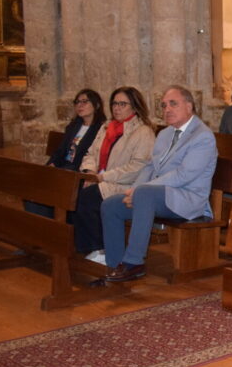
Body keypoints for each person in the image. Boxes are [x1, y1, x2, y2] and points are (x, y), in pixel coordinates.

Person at [96, 85, 217, 284]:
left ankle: (134, 262)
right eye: (163, 105)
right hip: (157, 196)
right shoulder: (165, 134)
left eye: (173, 104)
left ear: (189, 106)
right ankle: (114, 264)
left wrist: (142, 190)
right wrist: (134, 189)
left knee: (145, 194)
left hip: (187, 200)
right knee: (111, 205)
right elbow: (149, 167)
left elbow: (184, 175)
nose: (167, 109)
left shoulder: (203, 137)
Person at [75, 87, 155, 262]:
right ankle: (79, 245)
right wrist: (89, 173)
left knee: (88, 197)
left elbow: (137, 168)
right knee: (72, 191)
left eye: (122, 104)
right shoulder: (106, 127)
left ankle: (101, 249)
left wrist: (102, 178)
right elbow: (90, 153)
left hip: (126, 185)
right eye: (114, 104)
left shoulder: (143, 132)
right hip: (101, 179)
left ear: (134, 107)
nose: (117, 108)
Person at [25, 88, 107, 219]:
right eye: (77, 102)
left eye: (85, 101)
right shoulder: (73, 126)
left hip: (78, 173)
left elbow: (92, 157)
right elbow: (60, 151)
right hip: (63, 168)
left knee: (50, 188)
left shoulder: (101, 129)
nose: (80, 105)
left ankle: (53, 226)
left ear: (96, 105)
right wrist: (52, 164)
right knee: (32, 189)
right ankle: (42, 226)